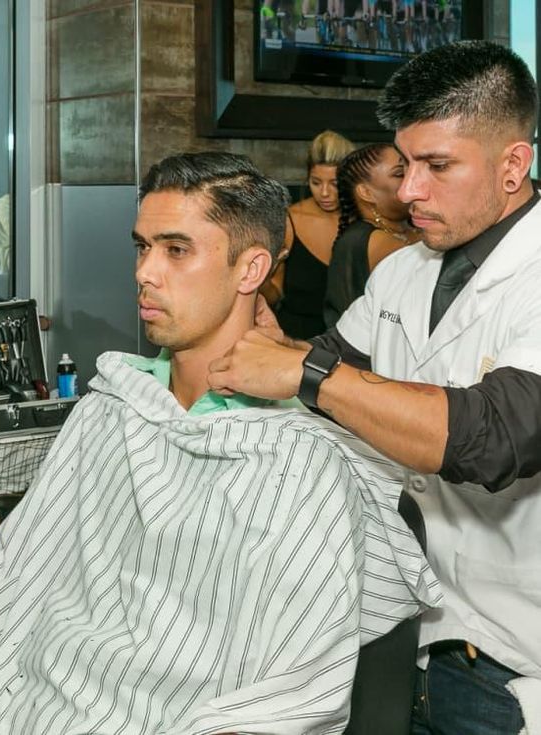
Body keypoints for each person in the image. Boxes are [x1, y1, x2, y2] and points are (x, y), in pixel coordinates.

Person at [0, 152, 438, 734]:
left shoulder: (302, 461)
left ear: (250, 269)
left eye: (176, 250)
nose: (143, 272)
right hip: (31, 700)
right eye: (142, 247)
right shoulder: (115, 410)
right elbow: (8, 579)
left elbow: (295, 696)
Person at [208, 41, 540, 732]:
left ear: (514, 164)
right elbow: (334, 363)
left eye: (437, 166)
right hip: (405, 641)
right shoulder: (405, 271)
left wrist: (305, 370)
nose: (408, 190)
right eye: (404, 164)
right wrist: (281, 349)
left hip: (511, 665)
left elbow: (497, 435)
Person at [262, 129, 354, 339]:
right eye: (315, 182)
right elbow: (274, 295)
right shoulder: (289, 220)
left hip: (351, 344)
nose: (324, 193)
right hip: (295, 341)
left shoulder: (364, 223)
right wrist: (258, 278)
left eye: (335, 184)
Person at [323, 142, 419, 327]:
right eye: (400, 173)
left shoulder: (405, 230)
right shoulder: (374, 240)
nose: (412, 179)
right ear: (366, 193)